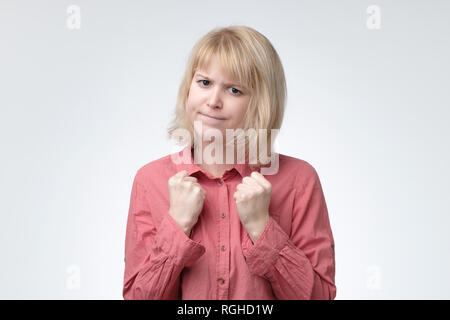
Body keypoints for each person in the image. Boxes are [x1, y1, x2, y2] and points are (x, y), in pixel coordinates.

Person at [122, 25, 336, 300]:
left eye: (234, 90)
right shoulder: (150, 180)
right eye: (204, 83)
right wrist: (176, 225)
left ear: (261, 102)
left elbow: (319, 298)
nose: (213, 101)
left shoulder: (299, 180)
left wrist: (262, 228)